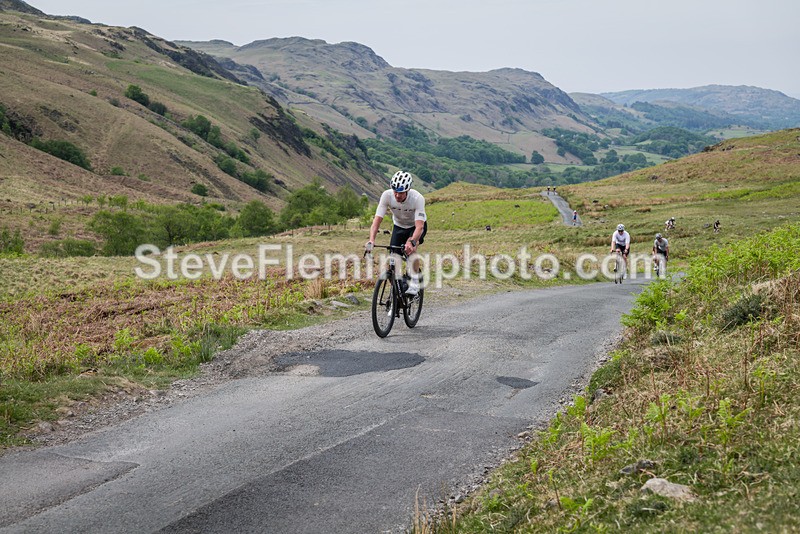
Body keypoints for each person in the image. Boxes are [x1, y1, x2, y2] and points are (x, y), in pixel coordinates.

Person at [365, 170, 427, 295]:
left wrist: (412, 242)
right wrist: (371, 240)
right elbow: (376, 222)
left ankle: (415, 281)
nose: (397, 196)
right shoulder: (386, 196)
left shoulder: (417, 198)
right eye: (395, 192)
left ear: (408, 190)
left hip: (414, 228)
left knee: (411, 250)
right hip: (398, 227)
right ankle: (396, 297)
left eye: (401, 193)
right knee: (393, 262)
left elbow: (420, 227)